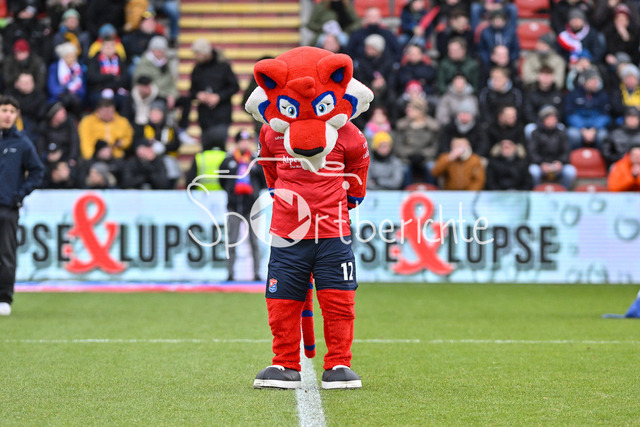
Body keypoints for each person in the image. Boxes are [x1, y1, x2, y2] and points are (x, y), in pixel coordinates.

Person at [0, 95, 45, 316]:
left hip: (7, 208)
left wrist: (19, 195)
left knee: (6, 254)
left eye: (12, 111)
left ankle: (4, 298)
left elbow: (37, 172)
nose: (8, 115)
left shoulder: (22, 142)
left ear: (17, 115)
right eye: (4, 110)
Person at [219, 130, 264, 281]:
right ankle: (230, 273)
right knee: (232, 241)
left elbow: (263, 180)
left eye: (247, 141)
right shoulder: (229, 160)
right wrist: (231, 192)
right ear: (237, 143)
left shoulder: (255, 160)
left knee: (254, 242)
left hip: (252, 207)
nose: (245, 144)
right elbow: (222, 180)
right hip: (234, 206)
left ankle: (256, 273)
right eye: (242, 141)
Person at [177, 38, 239, 147]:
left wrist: (219, 96)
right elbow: (192, 90)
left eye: (198, 53)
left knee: (219, 147)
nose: (196, 56)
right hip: (204, 117)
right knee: (205, 148)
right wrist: (198, 95)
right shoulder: (197, 69)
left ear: (205, 53)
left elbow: (234, 86)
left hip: (222, 115)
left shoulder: (223, 66)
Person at [134, 99, 181, 188]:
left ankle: (170, 187)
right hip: (148, 159)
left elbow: (176, 144)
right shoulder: (143, 127)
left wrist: (164, 147)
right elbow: (137, 143)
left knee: (170, 166)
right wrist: (148, 148)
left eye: (157, 112)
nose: (154, 115)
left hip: (166, 157)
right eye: (152, 112)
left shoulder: (169, 128)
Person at [528, 105, 577, 189]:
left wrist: (560, 162)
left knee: (570, 171)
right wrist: (541, 163)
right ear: (543, 120)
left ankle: (564, 191)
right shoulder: (535, 133)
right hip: (541, 165)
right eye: (549, 118)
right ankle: (535, 192)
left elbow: (566, 151)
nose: (552, 121)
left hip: (557, 165)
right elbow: (532, 152)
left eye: (554, 118)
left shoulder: (561, 132)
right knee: (533, 171)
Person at [394, 98, 440, 185]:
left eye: (411, 109)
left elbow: (434, 147)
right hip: (406, 158)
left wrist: (423, 155)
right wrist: (410, 154)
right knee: (404, 169)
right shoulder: (402, 126)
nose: (407, 110)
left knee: (431, 167)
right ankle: (407, 191)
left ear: (420, 111)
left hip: (426, 158)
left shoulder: (432, 127)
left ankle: (431, 190)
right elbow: (398, 146)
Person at [565, 68, 611, 150]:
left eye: (597, 80)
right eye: (592, 80)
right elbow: (569, 115)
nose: (596, 83)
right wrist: (582, 129)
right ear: (584, 81)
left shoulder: (602, 95)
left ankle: (601, 157)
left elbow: (605, 115)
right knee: (573, 134)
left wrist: (594, 129)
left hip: (596, 127)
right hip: (578, 127)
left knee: (603, 135)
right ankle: (575, 156)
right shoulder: (573, 95)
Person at [86, 33, 130, 109]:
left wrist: (110, 84)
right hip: (99, 90)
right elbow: (92, 77)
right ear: (101, 48)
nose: (109, 49)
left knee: (125, 100)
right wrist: (111, 77)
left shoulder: (120, 60)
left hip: (116, 89)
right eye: (106, 46)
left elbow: (125, 78)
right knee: (97, 99)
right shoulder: (95, 60)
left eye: (111, 46)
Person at [132, 36, 177, 110]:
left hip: (165, 94)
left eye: (162, 50)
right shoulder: (144, 63)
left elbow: (171, 83)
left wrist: (172, 95)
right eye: (157, 49)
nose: (159, 52)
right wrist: (166, 95)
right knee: (158, 108)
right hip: (150, 97)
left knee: (185, 101)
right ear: (151, 50)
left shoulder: (166, 63)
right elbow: (143, 86)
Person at [47, 42, 86, 118]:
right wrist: (63, 92)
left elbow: (83, 86)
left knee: (76, 102)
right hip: (59, 96)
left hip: (75, 97)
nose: (72, 59)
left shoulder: (78, 68)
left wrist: (75, 93)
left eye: (73, 56)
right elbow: (52, 85)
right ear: (63, 57)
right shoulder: (55, 67)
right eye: (69, 56)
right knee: (64, 101)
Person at [6, 72, 47, 141]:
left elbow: (41, 116)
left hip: (33, 125)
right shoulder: (9, 94)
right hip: (13, 122)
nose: (28, 85)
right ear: (17, 83)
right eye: (25, 82)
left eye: (30, 82)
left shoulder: (39, 95)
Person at [185, 125, 228, 190]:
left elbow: (190, 180)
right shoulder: (227, 157)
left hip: (202, 194)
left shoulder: (200, 157)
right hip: (222, 194)